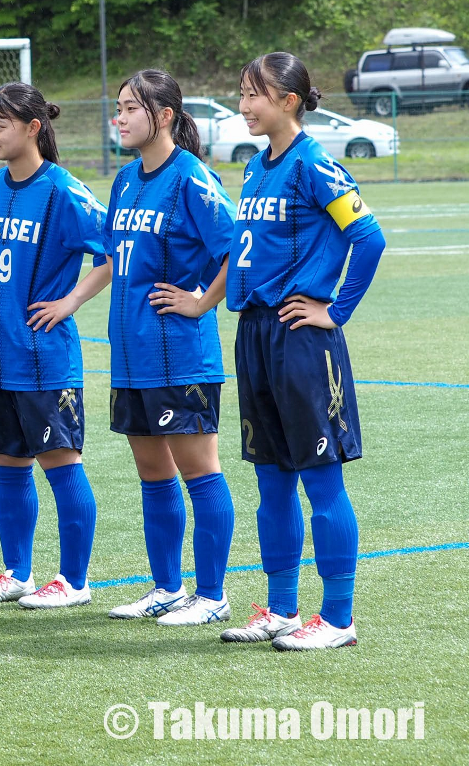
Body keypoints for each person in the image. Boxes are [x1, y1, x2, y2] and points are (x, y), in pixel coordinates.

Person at [218, 53, 385, 650]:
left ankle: (338, 618)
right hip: (256, 335)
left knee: (320, 480)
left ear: (288, 99)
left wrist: (333, 310)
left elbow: (368, 237)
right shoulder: (254, 169)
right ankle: (282, 608)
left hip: (303, 341)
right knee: (271, 480)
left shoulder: (316, 164)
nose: (243, 105)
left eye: (252, 95)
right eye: (241, 94)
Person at [101, 71, 238, 627]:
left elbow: (237, 248)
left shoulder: (192, 179)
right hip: (130, 355)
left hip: (181, 354)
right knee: (151, 472)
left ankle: (212, 595)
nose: (120, 117)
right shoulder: (125, 180)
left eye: (131, 108)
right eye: (118, 107)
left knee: (199, 471)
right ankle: (166, 587)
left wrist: (201, 303)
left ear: (163, 115)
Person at [0, 83, 107, 610]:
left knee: (61, 463)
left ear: (33, 128)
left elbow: (113, 252)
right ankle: (17, 572)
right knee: (8, 464)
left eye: (0, 125)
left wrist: (69, 303)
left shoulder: (65, 191)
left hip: (45, 358)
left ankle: (74, 579)